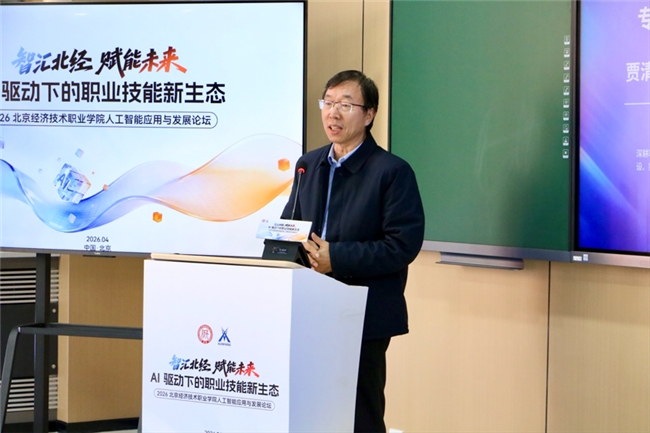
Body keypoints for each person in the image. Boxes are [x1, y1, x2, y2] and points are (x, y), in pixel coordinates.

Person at [281, 70, 425, 433]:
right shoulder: (308, 165)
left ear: (369, 114)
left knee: (360, 412)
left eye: (345, 105)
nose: (333, 113)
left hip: (364, 312)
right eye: (328, 103)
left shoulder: (392, 172)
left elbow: (402, 246)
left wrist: (337, 258)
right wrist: (281, 250)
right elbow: (290, 227)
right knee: (311, 408)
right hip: (309, 307)